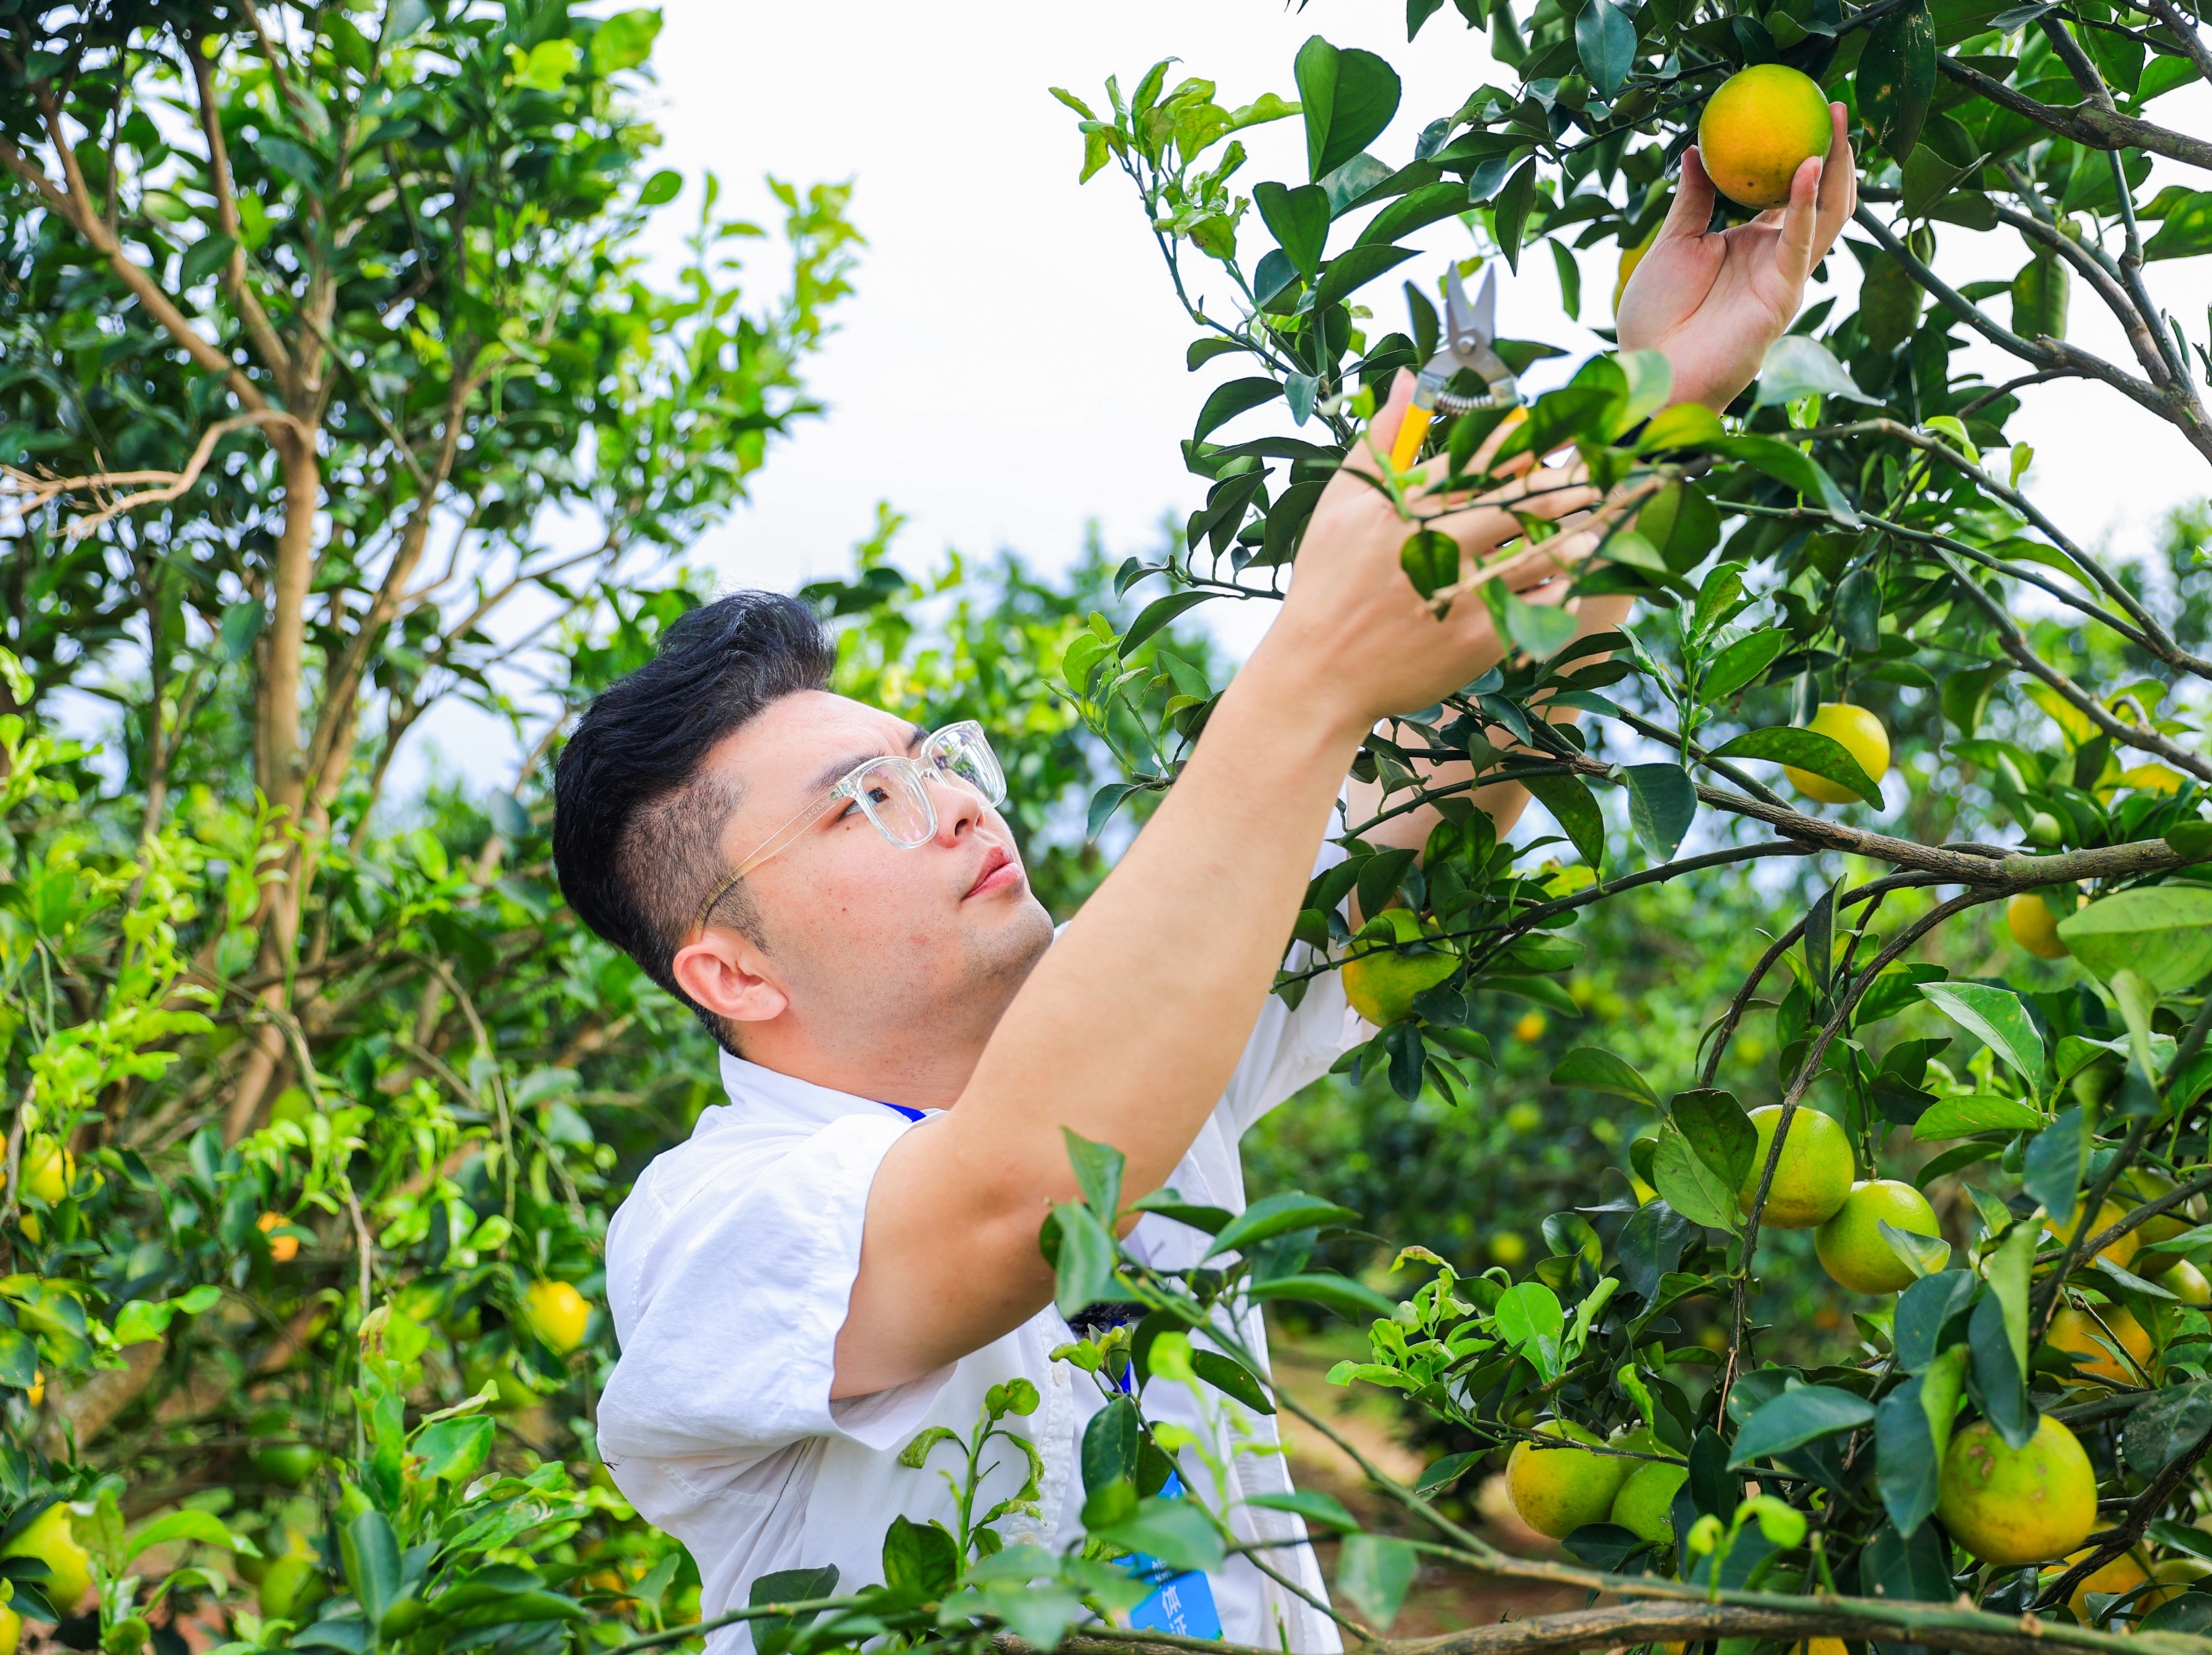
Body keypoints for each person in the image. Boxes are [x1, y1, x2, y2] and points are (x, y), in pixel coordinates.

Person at [551, 116, 1854, 1653]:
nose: (955, 801)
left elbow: (1445, 776)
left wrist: (1652, 398)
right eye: (866, 803)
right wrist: (1306, 667)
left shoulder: (1141, 1053)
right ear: (730, 971)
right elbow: (1020, 1197)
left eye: (934, 757)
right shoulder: (711, 1229)